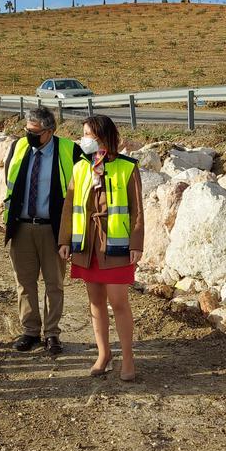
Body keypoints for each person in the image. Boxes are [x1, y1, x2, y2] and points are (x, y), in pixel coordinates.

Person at [59, 115, 144, 381]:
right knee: (95, 301)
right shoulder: (80, 168)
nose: (83, 139)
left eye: (88, 135)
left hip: (116, 246)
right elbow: (69, 206)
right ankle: (103, 354)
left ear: (104, 138)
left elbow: (137, 210)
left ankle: (128, 357)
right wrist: (64, 240)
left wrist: (137, 244)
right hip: (88, 245)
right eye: (83, 133)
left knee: (118, 302)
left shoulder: (127, 168)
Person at [3, 106, 83, 355]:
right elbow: (10, 183)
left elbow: (79, 194)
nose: (29, 135)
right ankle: (29, 331)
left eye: (35, 132)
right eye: (27, 130)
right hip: (22, 227)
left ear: (50, 131)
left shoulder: (70, 151)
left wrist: (70, 235)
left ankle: (52, 334)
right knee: (24, 283)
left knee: (54, 283)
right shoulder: (18, 148)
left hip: (53, 230)